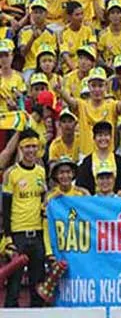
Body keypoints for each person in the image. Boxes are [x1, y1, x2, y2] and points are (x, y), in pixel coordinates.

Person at [2, 129, 49, 308]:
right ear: (21, 148)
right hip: (18, 234)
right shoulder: (11, 173)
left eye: (34, 147)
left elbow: (44, 198)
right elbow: (6, 208)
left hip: (37, 233)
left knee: (37, 283)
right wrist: (8, 237)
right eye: (27, 147)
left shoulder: (41, 172)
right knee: (14, 284)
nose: (31, 151)